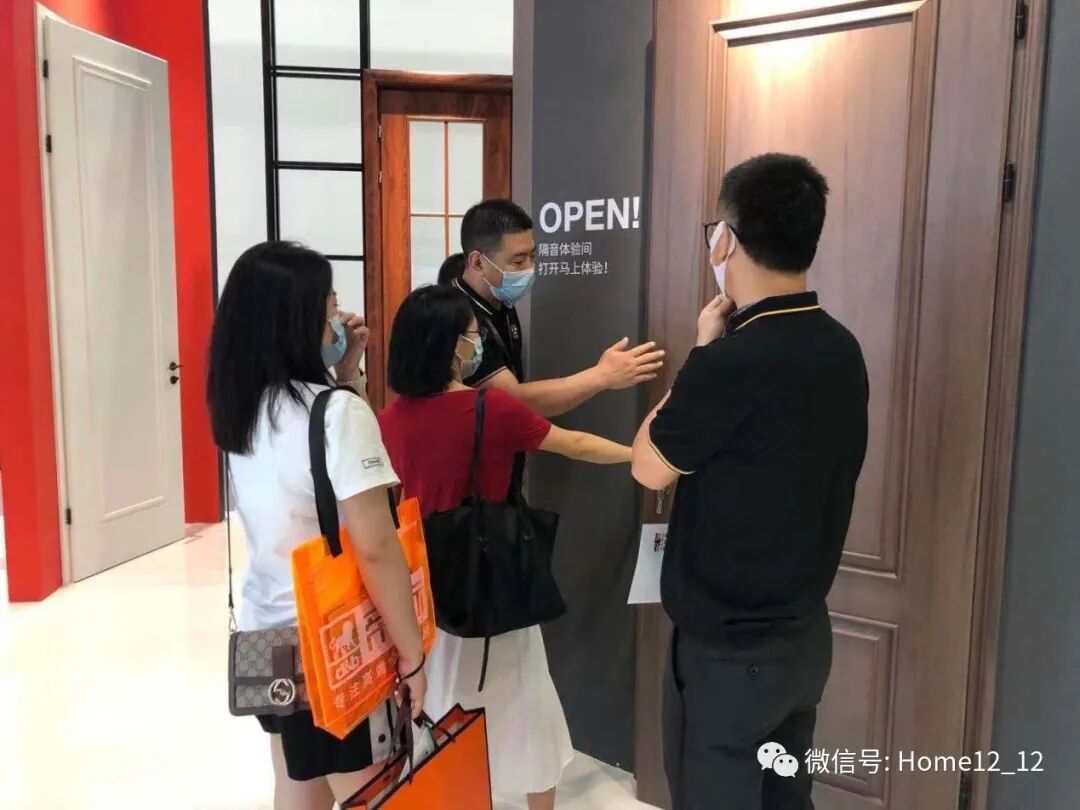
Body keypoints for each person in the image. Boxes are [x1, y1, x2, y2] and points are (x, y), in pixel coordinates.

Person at [631, 154, 870, 810]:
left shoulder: (729, 362)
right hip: (804, 641)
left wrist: (702, 350)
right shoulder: (841, 348)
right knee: (786, 800)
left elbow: (648, 463)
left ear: (726, 241)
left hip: (728, 657)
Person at [377, 284, 633, 810]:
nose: (479, 346)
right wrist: (639, 455)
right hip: (494, 577)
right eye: (473, 336)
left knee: (441, 700)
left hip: (423, 586)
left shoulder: (389, 420)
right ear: (452, 346)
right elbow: (574, 445)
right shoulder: (489, 409)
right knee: (526, 702)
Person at [207, 241, 427, 810]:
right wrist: (412, 654)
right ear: (296, 322)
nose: (339, 320)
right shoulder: (337, 414)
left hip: (269, 636)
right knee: (371, 791)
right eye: (329, 308)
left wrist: (344, 375)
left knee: (297, 783)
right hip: (334, 645)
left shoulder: (243, 406)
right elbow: (375, 547)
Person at [447, 198, 665, 417]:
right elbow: (513, 400)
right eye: (518, 261)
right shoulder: (453, 317)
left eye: (533, 256)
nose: (530, 268)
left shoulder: (500, 300)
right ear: (478, 262)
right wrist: (602, 376)